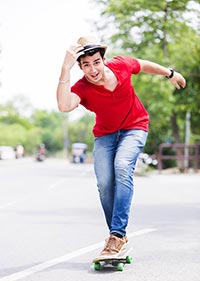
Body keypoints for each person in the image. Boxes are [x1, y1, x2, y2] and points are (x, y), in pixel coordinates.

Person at [56, 35, 186, 258]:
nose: (93, 69)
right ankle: (119, 238)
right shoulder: (82, 87)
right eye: (86, 65)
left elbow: (143, 65)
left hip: (135, 127)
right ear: (80, 67)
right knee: (105, 183)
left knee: (123, 166)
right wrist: (64, 69)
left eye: (96, 62)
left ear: (103, 59)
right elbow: (64, 105)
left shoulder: (121, 65)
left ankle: (116, 236)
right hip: (105, 135)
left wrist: (170, 73)